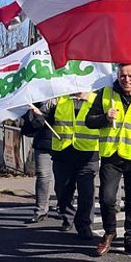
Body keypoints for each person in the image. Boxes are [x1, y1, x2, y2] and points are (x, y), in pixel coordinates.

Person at [85, 64, 131, 257]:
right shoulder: (105, 94)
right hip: (111, 155)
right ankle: (109, 233)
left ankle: (130, 240)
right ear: (117, 76)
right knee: (107, 198)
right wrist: (105, 117)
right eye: (123, 75)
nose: (127, 79)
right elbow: (89, 121)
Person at [42, 92, 100, 239]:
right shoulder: (59, 100)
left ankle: (85, 225)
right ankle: (68, 216)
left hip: (88, 154)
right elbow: (43, 121)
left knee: (86, 193)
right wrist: (37, 115)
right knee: (62, 191)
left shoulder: (97, 100)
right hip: (63, 153)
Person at [20, 100, 55, 224]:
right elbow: (30, 125)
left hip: (64, 143)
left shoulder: (66, 98)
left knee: (63, 179)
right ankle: (41, 209)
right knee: (43, 176)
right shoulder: (37, 101)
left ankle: (64, 207)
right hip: (43, 143)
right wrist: (36, 113)